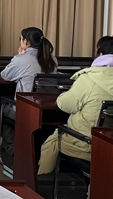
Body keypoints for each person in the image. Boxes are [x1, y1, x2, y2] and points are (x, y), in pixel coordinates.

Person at [38, 36, 113, 176]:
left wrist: (68, 92)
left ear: (101, 54)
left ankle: (41, 179)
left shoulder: (88, 78)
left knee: (54, 139)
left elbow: (65, 105)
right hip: (109, 143)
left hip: (87, 143)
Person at [0, 27, 57, 161]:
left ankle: (15, 149)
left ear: (26, 42)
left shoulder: (21, 59)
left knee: (0, 115)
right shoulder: (52, 59)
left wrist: (19, 56)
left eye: (20, 39)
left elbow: (5, 75)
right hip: (48, 109)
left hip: (26, 109)